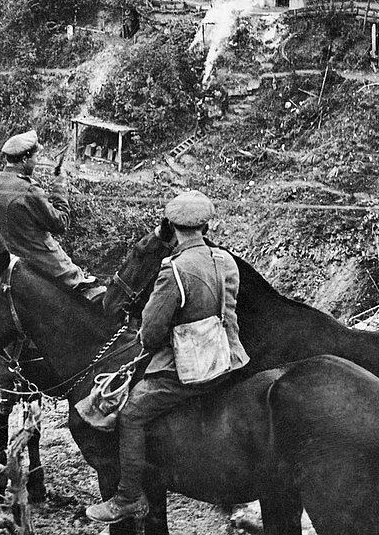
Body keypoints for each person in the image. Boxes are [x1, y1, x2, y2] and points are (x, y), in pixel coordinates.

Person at [86, 191, 249, 524]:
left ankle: (128, 497)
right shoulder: (225, 261)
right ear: (206, 225)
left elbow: (149, 334)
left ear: (172, 227)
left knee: (131, 414)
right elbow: (227, 311)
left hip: (192, 368)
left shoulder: (174, 270)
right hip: (230, 358)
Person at [0, 130, 97, 292]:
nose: (36, 162)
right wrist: (59, 185)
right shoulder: (28, 189)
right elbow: (61, 223)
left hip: (5, 269)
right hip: (43, 269)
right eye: (35, 158)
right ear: (24, 159)